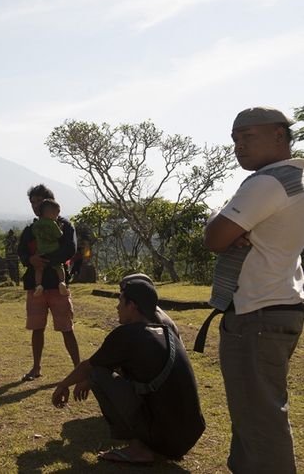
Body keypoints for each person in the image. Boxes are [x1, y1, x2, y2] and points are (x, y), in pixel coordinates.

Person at [203, 106, 304, 474]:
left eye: (248, 136)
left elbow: (215, 238)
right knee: (254, 415)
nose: (239, 146)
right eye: (235, 139)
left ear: (280, 136)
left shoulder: (268, 182)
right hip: (279, 307)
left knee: (261, 425)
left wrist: (218, 215)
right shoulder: (295, 180)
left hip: (256, 315)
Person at [51, 278, 205, 465]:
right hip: (188, 435)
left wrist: (63, 385)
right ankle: (152, 443)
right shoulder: (165, 332)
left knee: (97, 374)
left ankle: (138, 449)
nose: (117, 307)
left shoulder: (128, 333)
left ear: (132, 306)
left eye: (120, 301)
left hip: (166, 438)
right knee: (96, 375)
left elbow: (89, 367)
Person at [17, 184, 80, 381]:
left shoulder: (64, 226)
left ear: (49, 202)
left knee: (66, 328)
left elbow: (70, 249)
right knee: (37, 328)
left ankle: (78, 368)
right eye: (32, 202)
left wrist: (45, 259)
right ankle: (36, 367)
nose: (35, 205)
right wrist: (30, 260)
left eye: (39, 201)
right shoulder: (31, 228)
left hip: (57, 285)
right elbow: (22, 251)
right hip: (36, 286)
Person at [31, 199, 69, 297]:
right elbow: (59, 235)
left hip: (41, 252)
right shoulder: (53, 224)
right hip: (54, 251)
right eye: (56, 214)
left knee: (39, 269)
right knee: (59, 268)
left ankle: (38, 285)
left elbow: (34, 233)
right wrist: (60, 229)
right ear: (49, 213)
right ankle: (62, 282)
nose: (57, 217)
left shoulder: (37, 224)